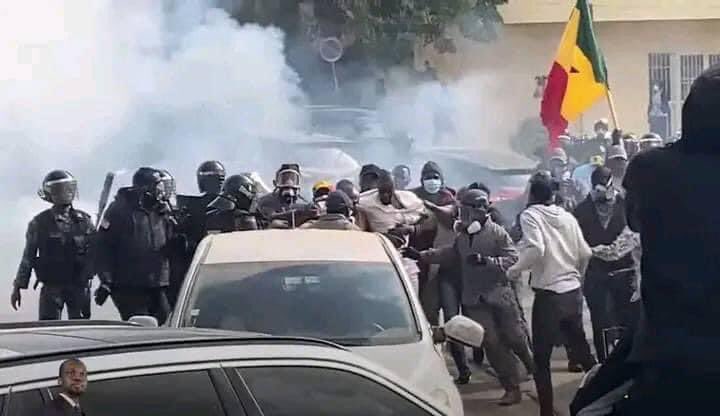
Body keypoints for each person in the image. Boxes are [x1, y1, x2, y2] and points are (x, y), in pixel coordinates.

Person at [614, 65, 720, 414]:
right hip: (670, 354)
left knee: (589, 404)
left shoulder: (648, 169)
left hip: (665, 358)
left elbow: (635, 220)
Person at [406, 189, 535, 405]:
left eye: (467, 210)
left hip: (499, 295)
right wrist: (422, 256)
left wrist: (488, 261)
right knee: (491, 343)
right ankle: (511, 387)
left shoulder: (497, 233)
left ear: (481, 210)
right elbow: (450, 254)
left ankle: (532, 367)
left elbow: (513, 258)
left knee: (514, 336)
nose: (463, 215)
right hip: (475, 299)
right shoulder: (462, 238)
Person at [506, 171, 596, 416]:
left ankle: (546, 412)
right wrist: (578, 278)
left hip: (549, 296)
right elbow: (586, 253)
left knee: (542, 360)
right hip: (572, 293)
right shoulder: (566, 216)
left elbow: (536, 248)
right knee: (583, 354)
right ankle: (603, 397)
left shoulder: (530, 215)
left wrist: (514, 270)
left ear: (533, 194)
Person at [11, 170, 95, 320]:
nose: (66, 193)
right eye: (60, 189)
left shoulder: (84, 221)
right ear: (50, 193)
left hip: (79, 285)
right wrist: (18, 286)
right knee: (49, 329)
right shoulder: (39, 223)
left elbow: (97, 252)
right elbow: (28, 257)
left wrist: (102, 279)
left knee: (82, 330)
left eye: (68, 188)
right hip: (52, 287)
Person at [95, 167, 174, 324]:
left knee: (167, 322)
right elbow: (102, 248)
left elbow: (170, 241)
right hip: (128, 285)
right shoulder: (119, 210)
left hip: (157, 283)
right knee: (139, 325)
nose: (161, 189)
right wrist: (106, 281)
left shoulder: (162, 210)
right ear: (146, 187)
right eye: (158, 184)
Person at [574, 167, 636, 362]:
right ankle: (603, 362)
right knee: (600, 321)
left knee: (625, 320)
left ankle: (626, 362)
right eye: (596, 189)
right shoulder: (581, 210)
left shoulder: (627, 206)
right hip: (595, 275)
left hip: (624, 273)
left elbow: (628, 242)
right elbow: (576, 244)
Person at [411, 161, 455, 326]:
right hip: (416, 252)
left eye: (435, 177)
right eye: (428, 177)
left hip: (441, 256)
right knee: (420, 300)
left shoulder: (447, 197)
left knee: (441, 306)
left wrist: (433, 208)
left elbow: (450, 218)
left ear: (441, 179)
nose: (432, 181)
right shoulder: (412, 196)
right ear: (422, 179)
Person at [257, 163, 316, 228]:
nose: (289, 182)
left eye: (293, 179)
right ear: (276, 182)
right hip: (272, 234)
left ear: (298, 182)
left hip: (299, 234)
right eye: (284, 179)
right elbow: (269, 217)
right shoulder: (267, 201)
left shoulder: (304, 203)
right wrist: (297, 213)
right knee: (276, 223)